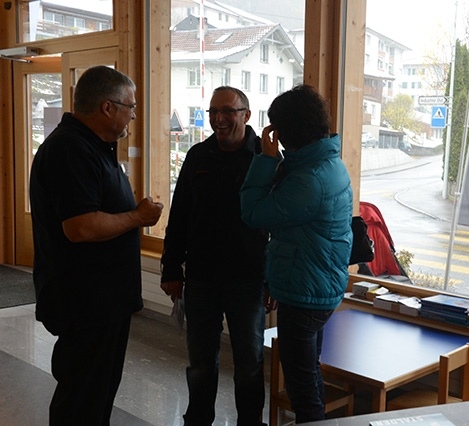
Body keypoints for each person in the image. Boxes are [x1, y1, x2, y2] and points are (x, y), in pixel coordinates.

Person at [29, 65, 164, 426]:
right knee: (82, 396)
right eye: (130, 107)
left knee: (97, 393)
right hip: (85, 301)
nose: (133, 115)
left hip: (103, 300)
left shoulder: (93, 146)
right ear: (107, 107)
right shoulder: (70, 149)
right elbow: (81, 227)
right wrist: (137, 217)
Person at [240, 84, 353, 423]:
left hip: (304, 292)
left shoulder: (309, 180)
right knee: (309, 375)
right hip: (318, 283)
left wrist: (265, 159)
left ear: (288, 131)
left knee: (302, 389)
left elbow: (253, 212)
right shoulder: (327, 163)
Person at [160, 86, 271, 426]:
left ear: (246, 115)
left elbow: (278, 225)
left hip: (248, 279)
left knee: (249, 363)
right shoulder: (198, 155)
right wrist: (170, 268)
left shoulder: (265, 158)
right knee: (200, 363)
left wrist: (274, 280)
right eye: (213, 112)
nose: (219, 119)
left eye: (227, 111)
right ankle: (198, 420)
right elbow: (180, 214)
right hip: (201, 278)